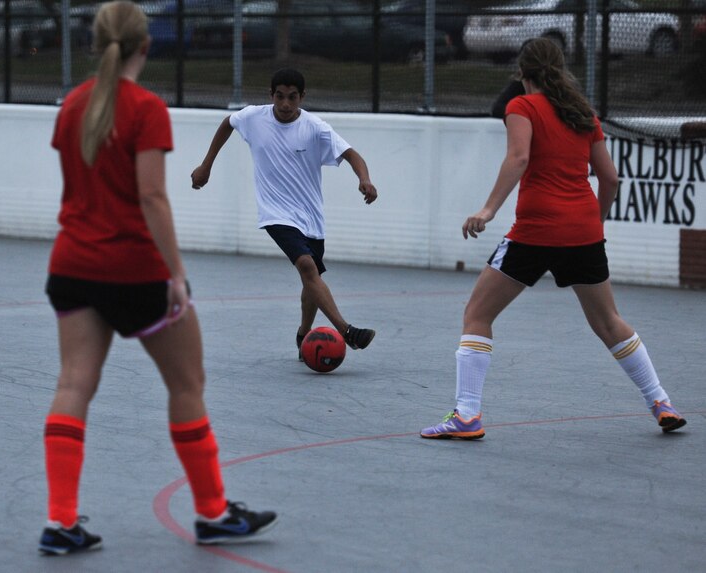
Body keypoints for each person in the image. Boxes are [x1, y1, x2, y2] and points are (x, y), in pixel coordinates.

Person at [39, 1, 277, 555]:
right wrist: (176, 273)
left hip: (72, 265)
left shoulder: (71, 107)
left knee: (73, 385)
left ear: (96, 44)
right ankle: (213, 511)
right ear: (147, 47)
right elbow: (150, 196)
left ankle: (59, 521)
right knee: (187, 385)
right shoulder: (146, 108)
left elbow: (76, 190)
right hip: (135, 272)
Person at [421, 38, 687, 441]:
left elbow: (519, 158)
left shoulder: (522, 106)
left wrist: (488, 210)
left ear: (521, 73)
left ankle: (467, 416)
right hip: (583, 231)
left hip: (535, 230)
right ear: (560, 69)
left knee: (477, 314)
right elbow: (611, 178)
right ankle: (662, 403)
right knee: (609, 323)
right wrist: (594, 225)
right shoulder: (583, 113)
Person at [190, 68, 379, 358]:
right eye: (280, 97)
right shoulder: (254, 117)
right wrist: (206, 166)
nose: (286, 105)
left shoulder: (315, 127)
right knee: (306, 266)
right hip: (275, 213)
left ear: (302, 97)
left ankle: (304, 336)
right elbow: (228, 122)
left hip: (311, 218)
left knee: (310, 277)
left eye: (293, 98)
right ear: (271, 95)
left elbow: (353, 155)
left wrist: (364, 179)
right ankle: (347, 331)